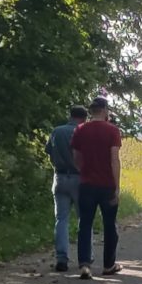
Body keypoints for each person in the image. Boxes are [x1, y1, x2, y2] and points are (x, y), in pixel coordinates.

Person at [70, 96, 123, 280]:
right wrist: (117, 187)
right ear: (105, 110)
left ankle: (84, 264)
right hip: (107, 184)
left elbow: (76, 157)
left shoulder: (80, 129)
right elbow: (114, 159)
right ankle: (109, 265)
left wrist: (83, 171)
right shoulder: (112, 131)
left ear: (91, 111)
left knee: (85, 224)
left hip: (86, 184)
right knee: (110, 225)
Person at [45, 105, 87, 272]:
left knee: (61, 219)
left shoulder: (56, 131)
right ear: (84, 118)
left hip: (60, 177)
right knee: (83, 220)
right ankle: (85, 258)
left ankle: (61, 257)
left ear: (70, 115)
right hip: (78, 178)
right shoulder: (82, 132)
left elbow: (49, 152)